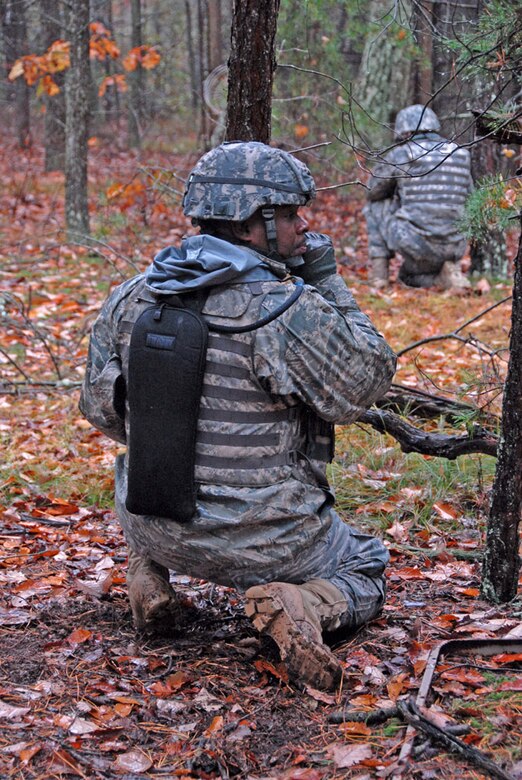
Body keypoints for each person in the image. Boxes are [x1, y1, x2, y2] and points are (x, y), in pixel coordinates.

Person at [79, 141, 396, 691]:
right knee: (366, 562)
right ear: (254, 225)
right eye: (293, 215)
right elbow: (363, 386)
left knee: (147, 483)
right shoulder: (285, 308)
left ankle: (148, 573)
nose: (304, 227)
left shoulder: (131, 297)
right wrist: (327, 281)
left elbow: (102, 414)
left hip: (152, 523)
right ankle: (301, 603)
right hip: (271, 543)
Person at [364, 104, 473, 290]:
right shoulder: (460, 153)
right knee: (408, 277)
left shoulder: (403, 153)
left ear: (405, 132)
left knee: (374, 205)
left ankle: (379, 275)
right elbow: (471, 197)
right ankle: (449, 272)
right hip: (454, 245)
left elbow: (372, 190)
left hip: (414, 243)